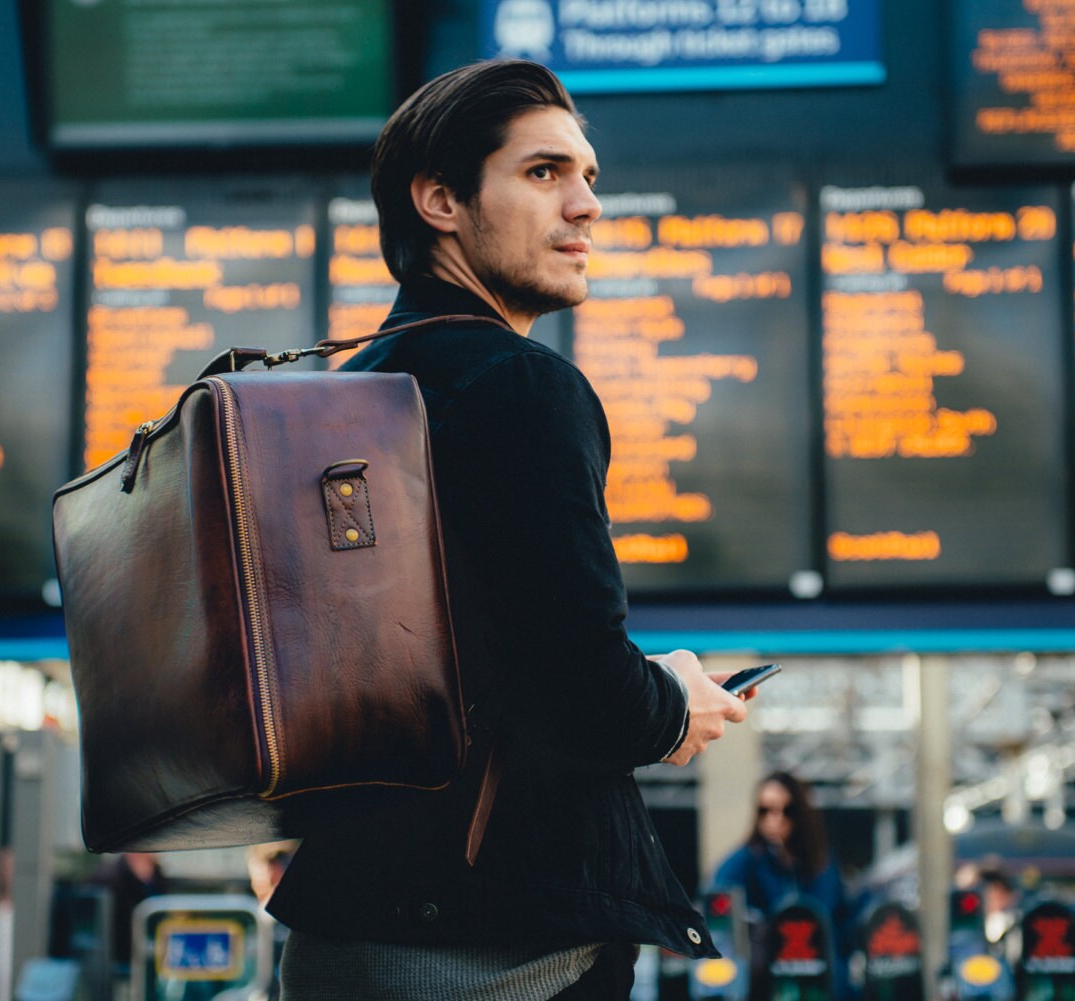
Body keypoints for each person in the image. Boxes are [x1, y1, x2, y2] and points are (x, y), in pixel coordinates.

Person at [266, 59, 753, 999]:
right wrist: (675, 698)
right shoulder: (523, 388)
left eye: (589, 178)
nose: (586, 207)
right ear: (440, 200)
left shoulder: (345, 397)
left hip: (340, 928)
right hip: (494, 951)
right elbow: (588, 693)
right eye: (544, 173)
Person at [711, 772, 852, 997]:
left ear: (801, 813)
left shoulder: (822, 863)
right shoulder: (742, 863)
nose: (775, 819)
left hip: (822, 984)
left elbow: (842, 921)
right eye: (765, 810)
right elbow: (717, 914)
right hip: (766, 986)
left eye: (787, 811)